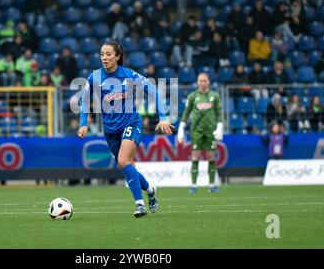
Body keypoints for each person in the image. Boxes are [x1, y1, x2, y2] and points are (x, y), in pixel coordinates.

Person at [78, 41, 173, 217]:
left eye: (108, 54)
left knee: (123, 161)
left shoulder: (128, 75)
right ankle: (151, 191)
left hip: (131, 123)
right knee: (129, 167)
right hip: (110, 130)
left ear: (117, 56)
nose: (104, 58)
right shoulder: (94, 77)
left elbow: (152, 90)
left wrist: (163, 117)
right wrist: (83, 122)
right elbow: (83, 101)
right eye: (101, 54)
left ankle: (139, 205)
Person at [177, 73, 223, 194]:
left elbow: (219, 113)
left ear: (208, 82)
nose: (202, 83)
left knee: (211, 157)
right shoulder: (192, 96)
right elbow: (186, 113)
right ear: (197, 82)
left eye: (204, 80)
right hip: (196, 131)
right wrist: (181, 128)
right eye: (200, 81)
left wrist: (220, 127)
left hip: (211, 131)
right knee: (195, 156)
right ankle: (193, 185)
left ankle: (212, 185)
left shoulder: (215, 96)